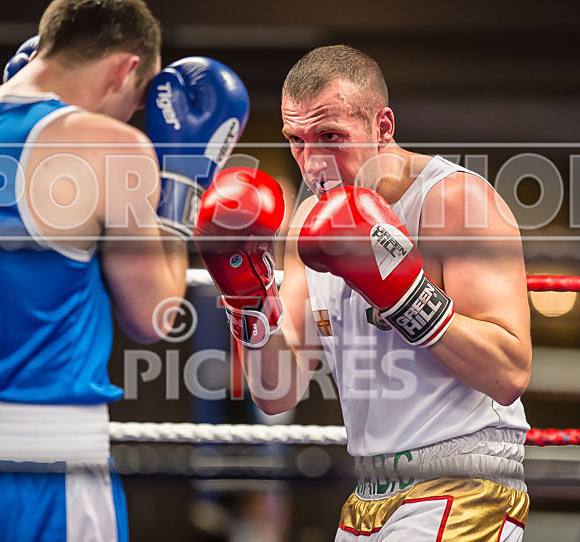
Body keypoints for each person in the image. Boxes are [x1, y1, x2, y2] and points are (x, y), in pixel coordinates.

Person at [0, 0, 248, 539]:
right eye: (140, 99)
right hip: (52, 458)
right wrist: (183, 184)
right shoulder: (110, 147)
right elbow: (156, 316)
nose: (136, 114)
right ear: (124, 68)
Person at [196, 45, 531, 541]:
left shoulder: (455, 201)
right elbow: (277, 391)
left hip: (465, 480)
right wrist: (247, 298)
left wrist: (403, 295)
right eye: (297, 140)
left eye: (331, 137)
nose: (313, 163)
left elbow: (509, 372)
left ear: (383, 128)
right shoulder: (308, 225)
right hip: (368, 492)